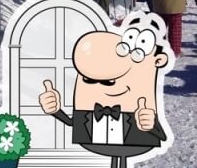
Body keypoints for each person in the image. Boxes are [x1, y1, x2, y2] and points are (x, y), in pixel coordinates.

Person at [38, 13, 173, 168]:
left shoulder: (140, 97)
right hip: (95, 144)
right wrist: (55, 110)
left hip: (133, 143)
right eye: (89, 80)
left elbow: (159, 135)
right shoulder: (89, 107)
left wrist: (150, 124)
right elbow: (72, 123)